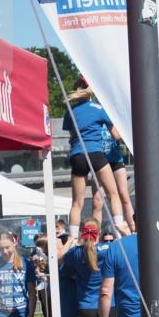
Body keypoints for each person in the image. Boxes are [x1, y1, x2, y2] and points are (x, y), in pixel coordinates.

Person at [63, 78, 124, 234]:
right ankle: (120, 230)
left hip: (78, 156)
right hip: (96, 154)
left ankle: (74, 239)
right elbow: (116, 136)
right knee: (113, 194)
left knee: (77, 203)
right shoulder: (99, 108)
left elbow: (71, 138)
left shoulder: (69, 112)